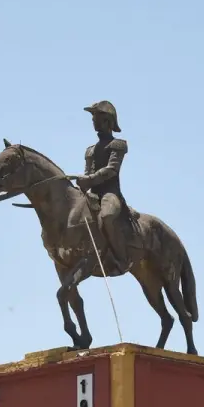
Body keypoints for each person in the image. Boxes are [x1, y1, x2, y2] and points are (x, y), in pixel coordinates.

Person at [76, 101, 143, 276]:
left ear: (107, 121)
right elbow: (88, 171)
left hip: (110, 193)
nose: (93, 121)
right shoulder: (90, 150)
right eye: (92, 118)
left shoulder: (118, 145)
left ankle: (122, 258)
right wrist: (83, 183)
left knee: (106, 216)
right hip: (92, 194)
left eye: (96, 117)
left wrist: (89, 179)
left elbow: (112, 170)